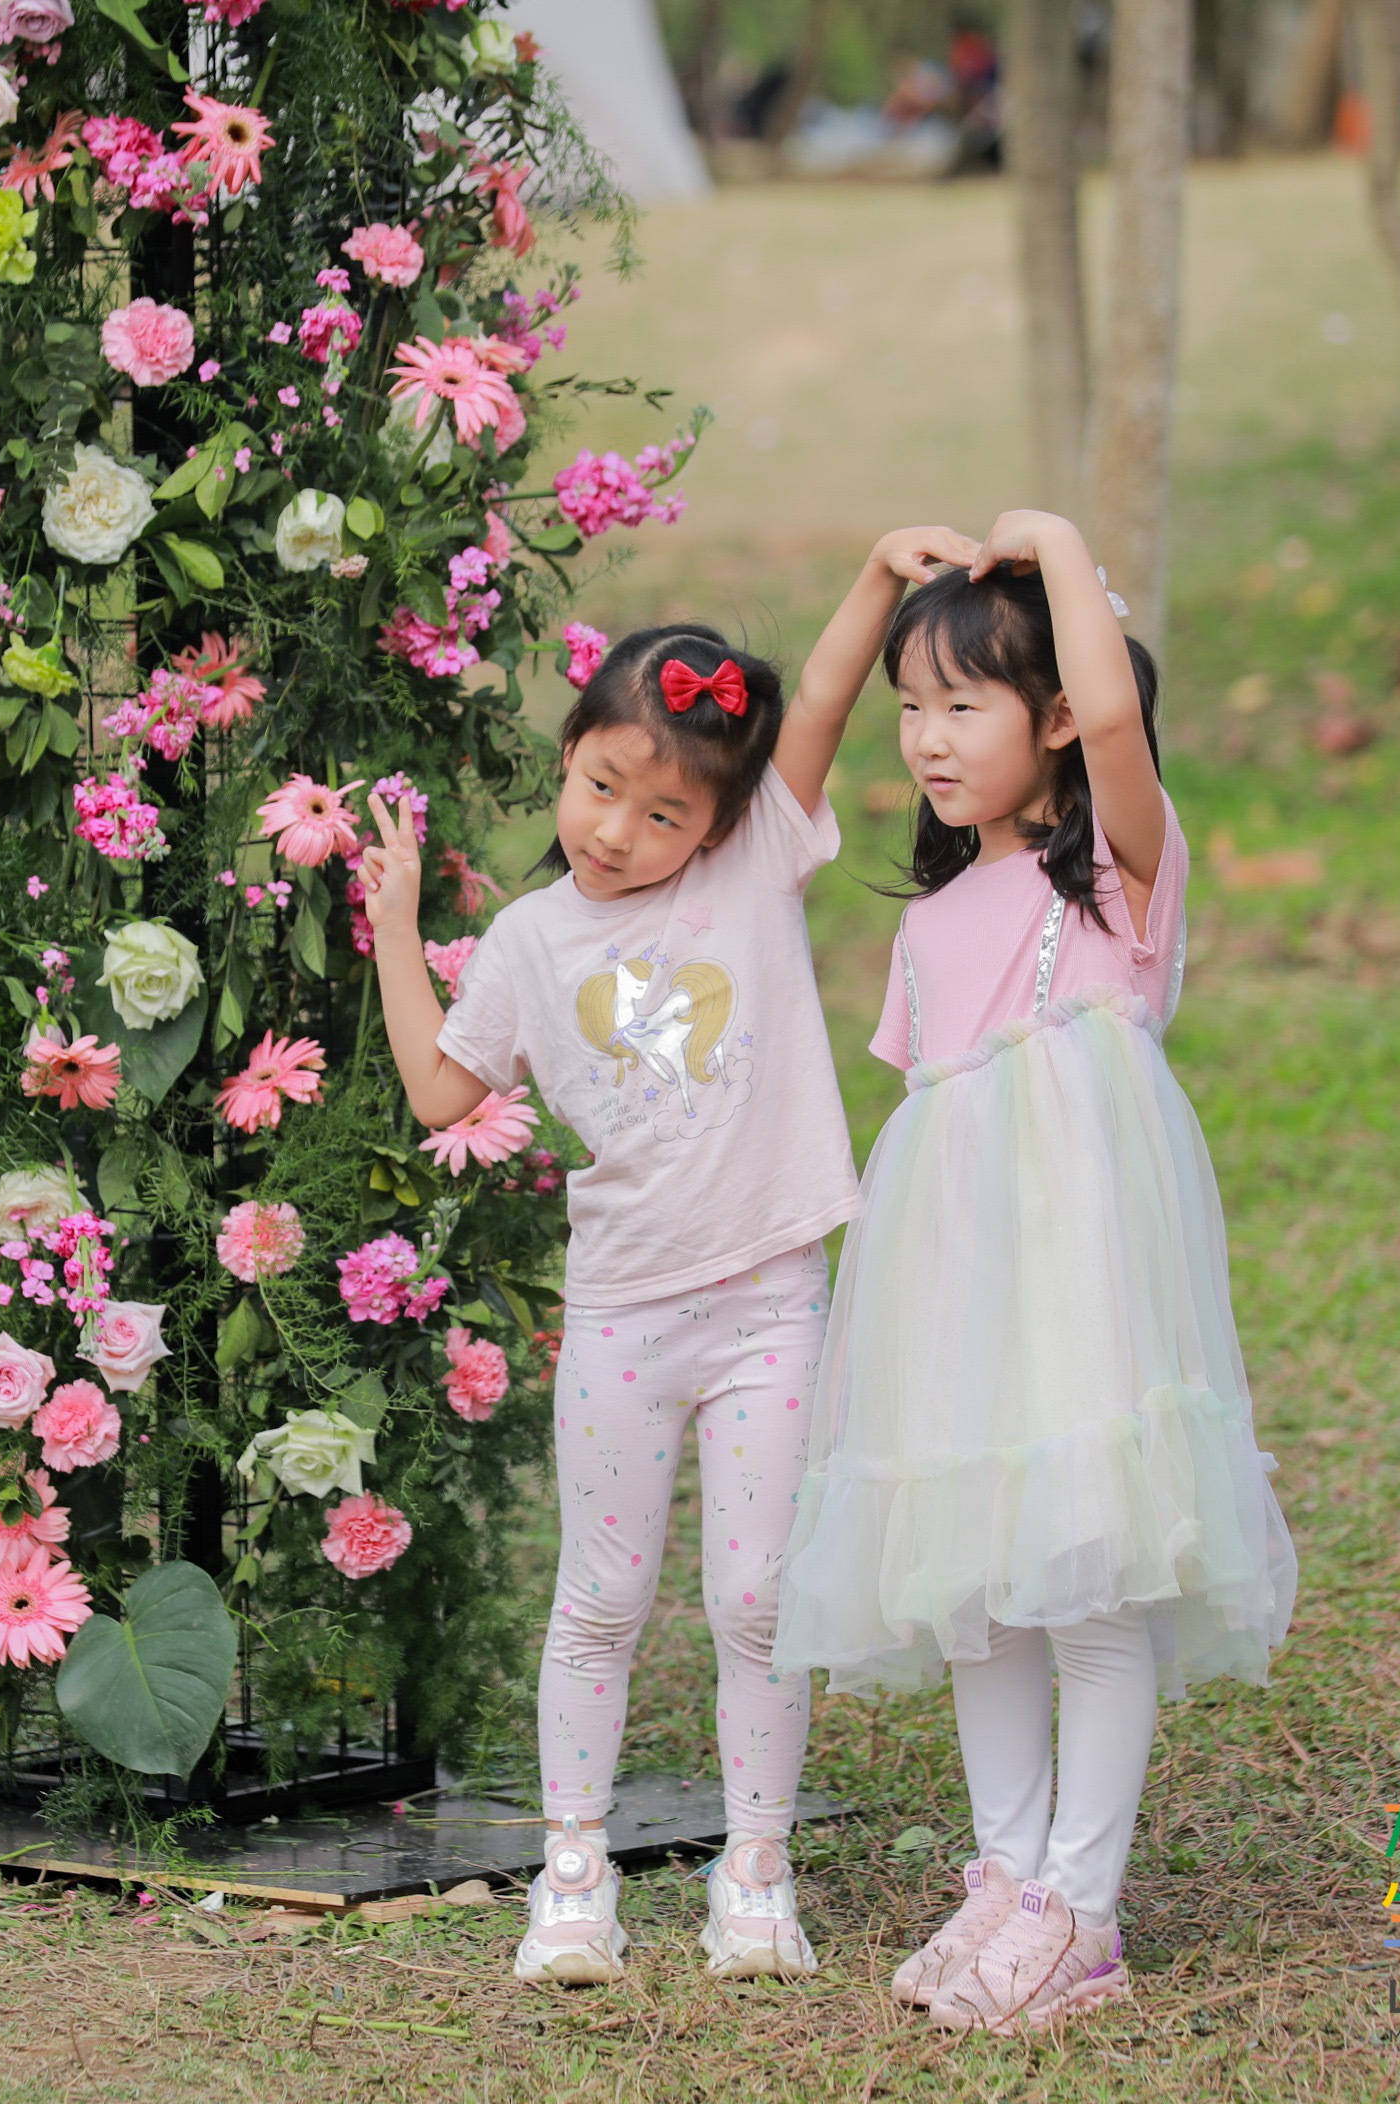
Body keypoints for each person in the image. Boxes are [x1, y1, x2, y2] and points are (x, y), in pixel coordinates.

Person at [356, 529, 978, 1986]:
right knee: (603, 1599)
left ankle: (754, 1874)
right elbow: (447, 1093)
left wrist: (880, 576)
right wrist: (395, 930)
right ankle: (572, 1878)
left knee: (759, 1597)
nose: (619, 832)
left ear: (720, 824)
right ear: (566, 756)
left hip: (771, 1301)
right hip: (628, 1310)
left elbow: (817, 705)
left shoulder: (755, 868)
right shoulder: (523, 939)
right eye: (599, 789)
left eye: (662, 813)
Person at [774, 514, 1297, 2033]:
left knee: (1086, 1575)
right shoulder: (934, 919)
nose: (928, 742)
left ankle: (1082, 1903)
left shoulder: (1120, 882)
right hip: (955, 1268)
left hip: (1080, 1261)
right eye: (913, 710)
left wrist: (1056, 546)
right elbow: (934, 1118)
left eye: (965, 706)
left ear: (1055, 717)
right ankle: (1006, 1875)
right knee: (974, 1585)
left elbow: (1124, 714)